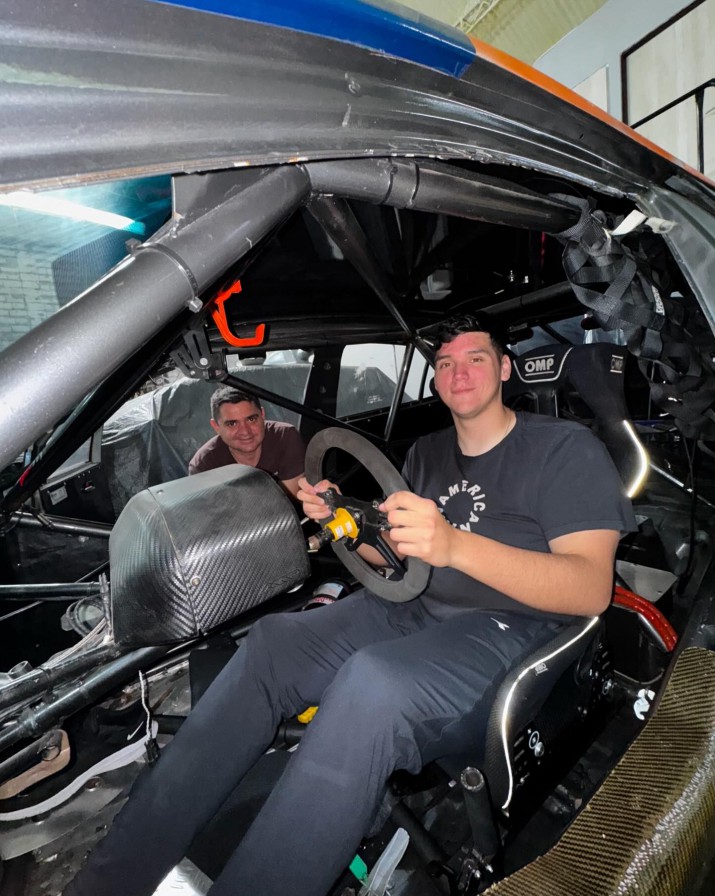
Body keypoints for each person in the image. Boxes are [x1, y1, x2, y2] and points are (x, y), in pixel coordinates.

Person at [65, 315, 635, 896]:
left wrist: (456, 545)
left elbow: (589, 588)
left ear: (506, 368)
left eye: (475, 358)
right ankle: (106, 882)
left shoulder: (563, 448)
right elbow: (394, 558)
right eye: (444, 363)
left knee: (373, 683)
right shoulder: (427, 453)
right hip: (410, 605)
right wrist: (341, 519)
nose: (457, 372)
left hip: (504, 630)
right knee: (273, 645)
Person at [188, 386, 305, 498]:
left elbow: (290, 503)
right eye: (232, 424)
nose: (245, 431)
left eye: (251, 419)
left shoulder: (285, 437)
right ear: (216, 426)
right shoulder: (204, 465)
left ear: (262, 415)